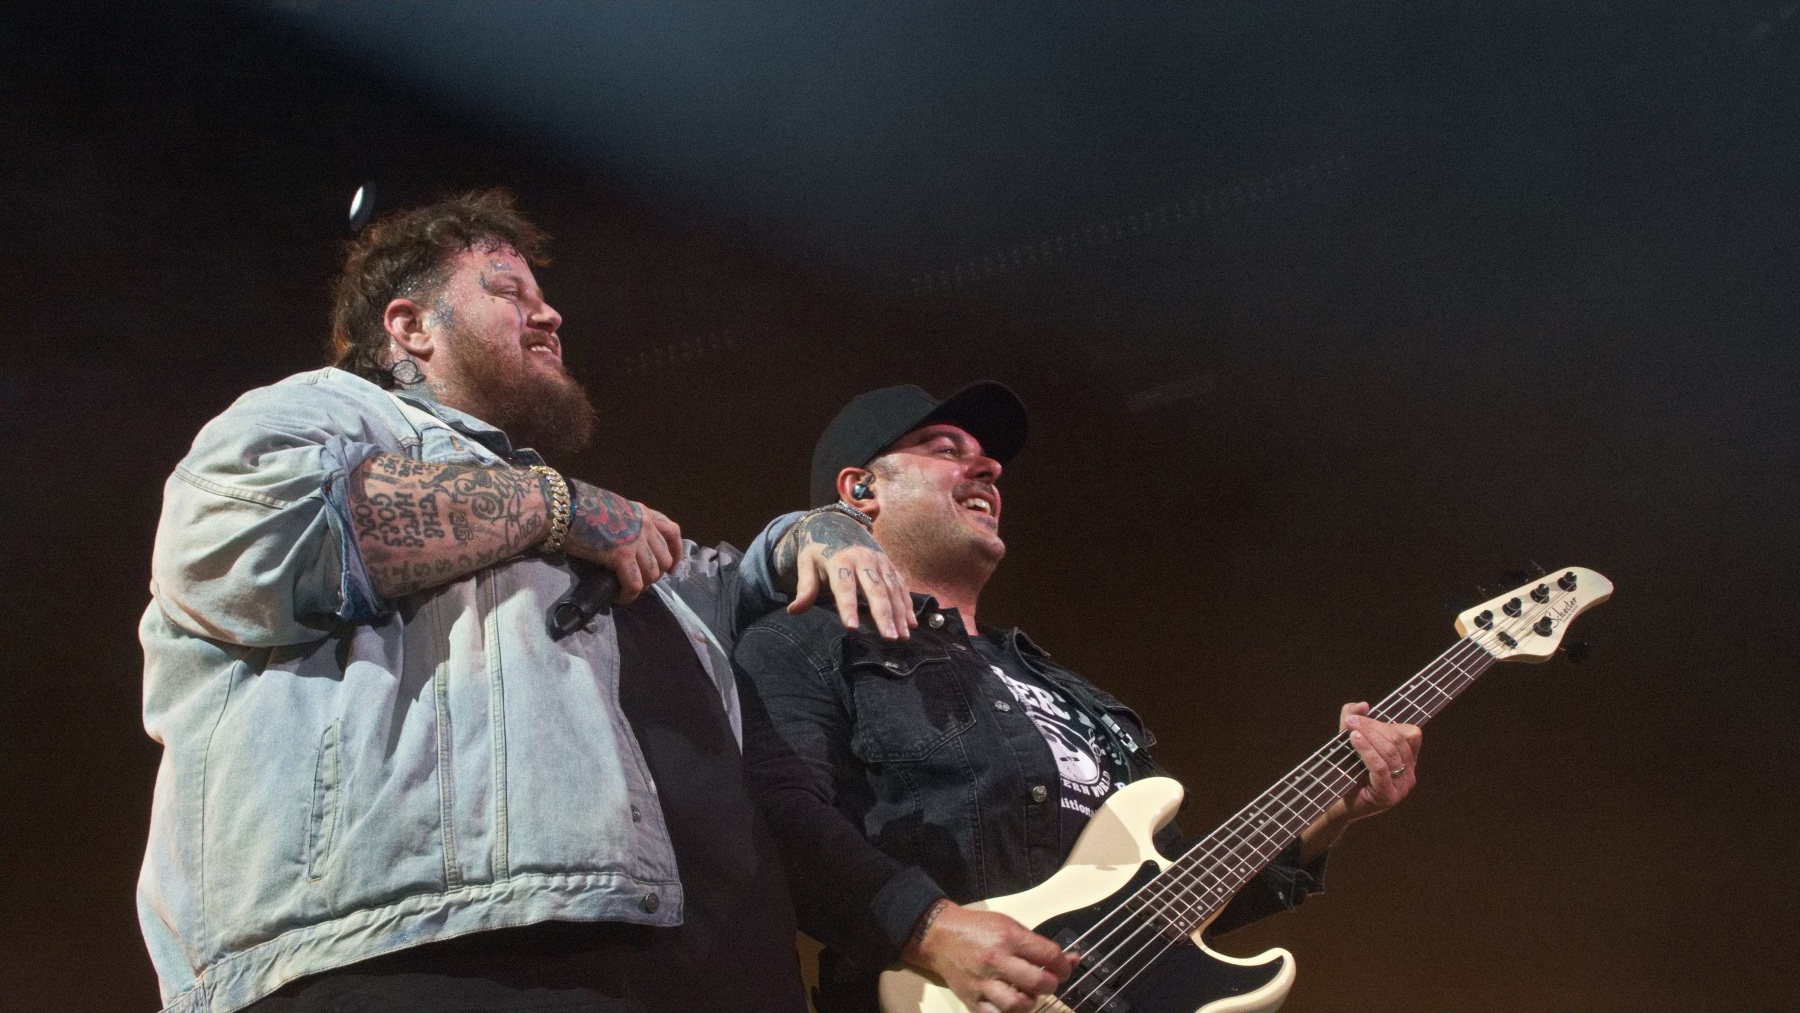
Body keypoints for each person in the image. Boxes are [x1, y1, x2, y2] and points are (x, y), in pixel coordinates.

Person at [136, 190, 913, 1013]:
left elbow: (723, 576)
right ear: (410, 326)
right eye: (508, 291)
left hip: (686, 964)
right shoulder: (319, 413)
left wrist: (814, 530)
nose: (549, 315)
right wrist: (558, 504)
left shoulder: (583, 522)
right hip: (422, 959)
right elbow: (264, 538)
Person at [733, 383, 1425, 1013]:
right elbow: (777, 816)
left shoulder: (1067, 691)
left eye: (986, 458)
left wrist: (1333, 811)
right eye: (946, 450)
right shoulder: (804, 641)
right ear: (860, 490)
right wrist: (931, 929)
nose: (989, 468)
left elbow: (1171, 898)